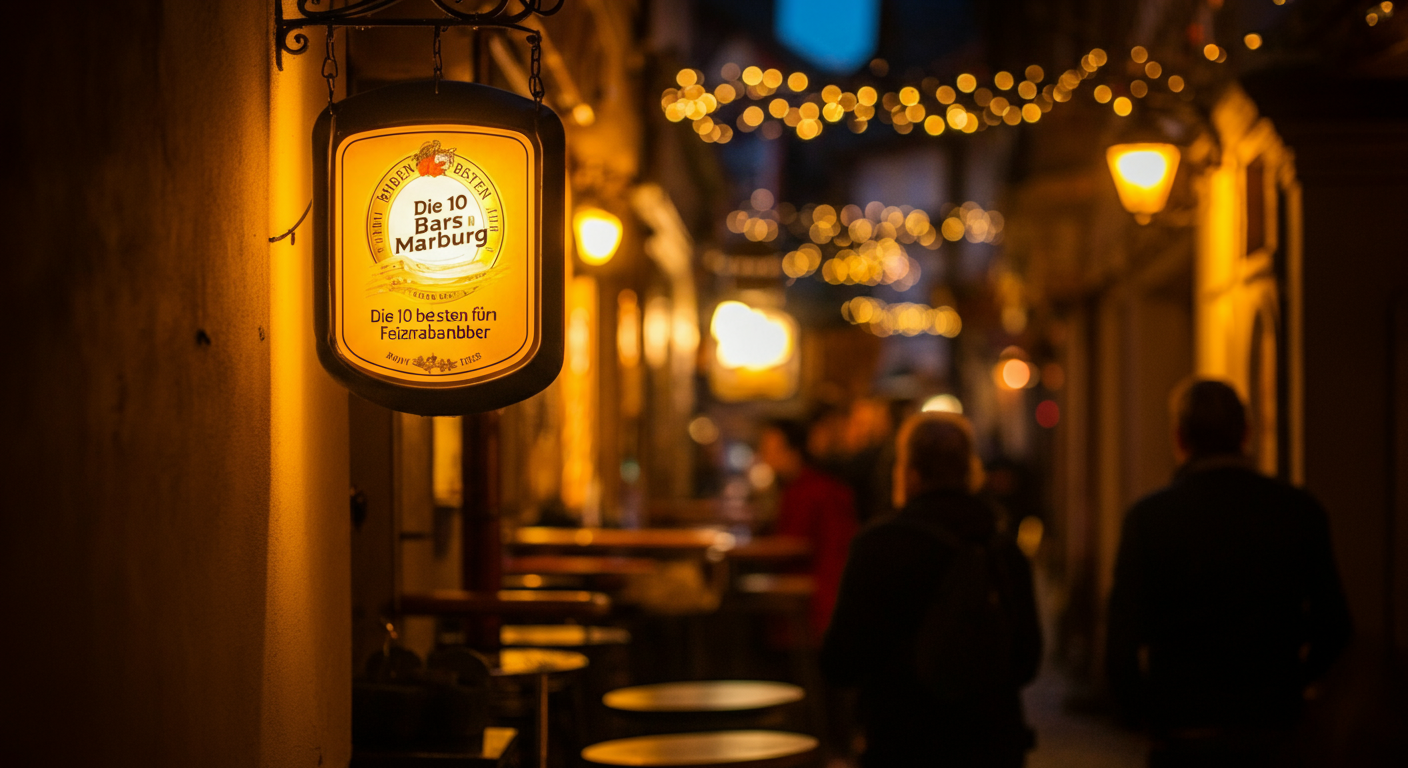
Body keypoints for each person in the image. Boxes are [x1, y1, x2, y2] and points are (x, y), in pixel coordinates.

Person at [1106, 379, 1353, 768]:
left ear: (1180, 438)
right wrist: (1291, 684)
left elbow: (1120, 640)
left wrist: (1144, 713)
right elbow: (1335, 625)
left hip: (1184, 730)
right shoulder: (1297, 511)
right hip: (1270, 729)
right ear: (1245, 434)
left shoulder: (1149, 519)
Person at [821, 411, 1042, 767]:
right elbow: (1027, 660)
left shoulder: (877, 545)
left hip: (900, 742)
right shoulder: (1001, 548)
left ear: (909, 473)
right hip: (989, 743)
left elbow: (840, 662)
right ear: (970, 471)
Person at [756, 418, 859, 640]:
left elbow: (795, 544)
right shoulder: (797, 487)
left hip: (819, 584)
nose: (764, 455)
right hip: (828, 582)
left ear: (793, 451)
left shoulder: (812, 490)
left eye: (770, 448)